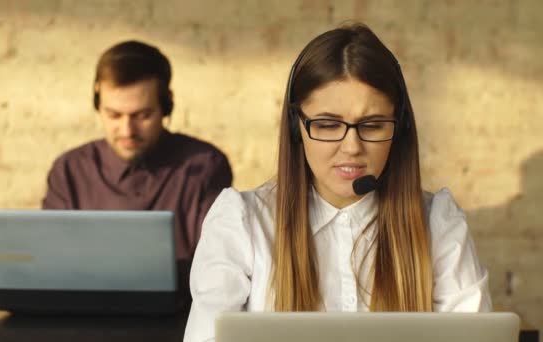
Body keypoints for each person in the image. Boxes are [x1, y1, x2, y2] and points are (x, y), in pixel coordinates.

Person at [184, 23, 491, 341]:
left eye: (372, 125)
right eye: (328, 124)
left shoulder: (438, 222)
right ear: (295, 128)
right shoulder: (242, 223)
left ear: (400, 129)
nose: (352, 147)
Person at [42, 41, 233, 299]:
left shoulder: (206, 165)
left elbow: (215, 269)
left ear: (166, 105)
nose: (127, 131)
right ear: (97, 105)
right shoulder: (70, 170)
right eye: (113, 115)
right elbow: (51, 266)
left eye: (142, 116)